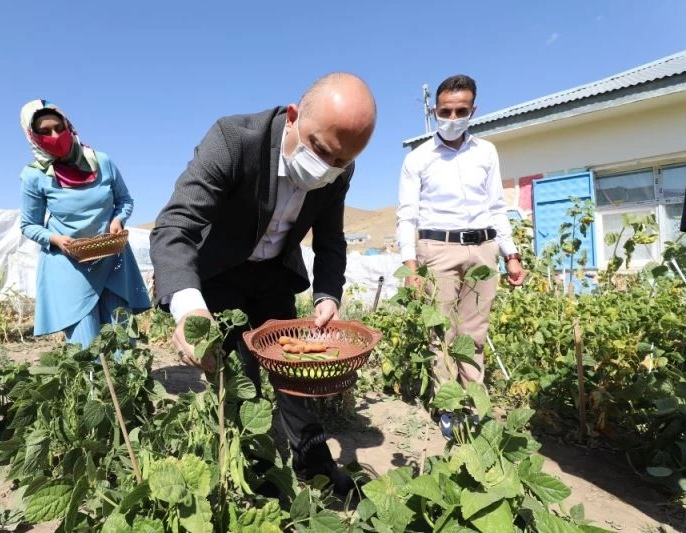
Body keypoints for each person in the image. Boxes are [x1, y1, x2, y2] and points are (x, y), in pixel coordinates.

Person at [150, 73, 376, 496]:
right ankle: (248, 469)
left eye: (340, 162)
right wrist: (189, 308)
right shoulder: (233, 139)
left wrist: (328, 295)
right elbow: (173, 227)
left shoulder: (338, 172)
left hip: (274, 274)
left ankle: (314, 462)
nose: (326, 168)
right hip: (219, 274)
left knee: (294, 372)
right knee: (237, 375)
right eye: (321, 150)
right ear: (293, 117)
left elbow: (331, 241)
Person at [395, 75, 526, 437]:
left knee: (475, 332)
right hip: (438, 249)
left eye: (461, 110)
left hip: (483, 249)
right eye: (445, 111)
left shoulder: (486, 152)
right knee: (442, 333)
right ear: (435, 111)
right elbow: (407, 216)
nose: (452, 117)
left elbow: (498, 207)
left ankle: (475, 405)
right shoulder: (420, 158)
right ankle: (449, 408)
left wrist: (511, 254)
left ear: (473, 110)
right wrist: (411, 267)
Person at [19, 99, 151, 349]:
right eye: (45, 132)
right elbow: (28, 225)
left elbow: (124, 200)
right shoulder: (34, 175)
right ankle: (91, 390)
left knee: (121, 339)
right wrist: (56, 240)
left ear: (69, 125)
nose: (55, 135)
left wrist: (117, 220)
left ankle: (128, 388)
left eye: (59, 127)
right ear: (32, 137)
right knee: (85, 347)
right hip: (70, 265)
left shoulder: (101, 161)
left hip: (111, 257)